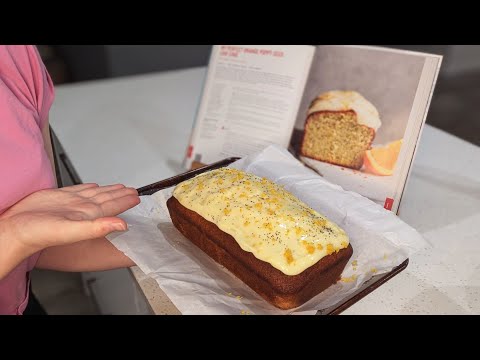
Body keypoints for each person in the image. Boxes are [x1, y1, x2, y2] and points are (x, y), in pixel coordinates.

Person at [0, 45, 141, 315]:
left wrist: (172, 243)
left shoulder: (15, 54)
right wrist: (12, 236)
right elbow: (22, 233)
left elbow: (40, 244)